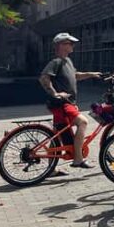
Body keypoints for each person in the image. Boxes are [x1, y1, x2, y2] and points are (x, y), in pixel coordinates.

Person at [38, 33, 102, 169]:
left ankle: (51, 169)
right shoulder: (56, 62)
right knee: (83, 122)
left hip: (65, 104)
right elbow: (44, 78)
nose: (73, 45)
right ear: (61, 45)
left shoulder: (68, 61)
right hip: (62, 104)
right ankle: (78, 159)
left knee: (56, 134)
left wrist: (91, 74)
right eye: (70, 43)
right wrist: (55, 93)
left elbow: (75, 75)